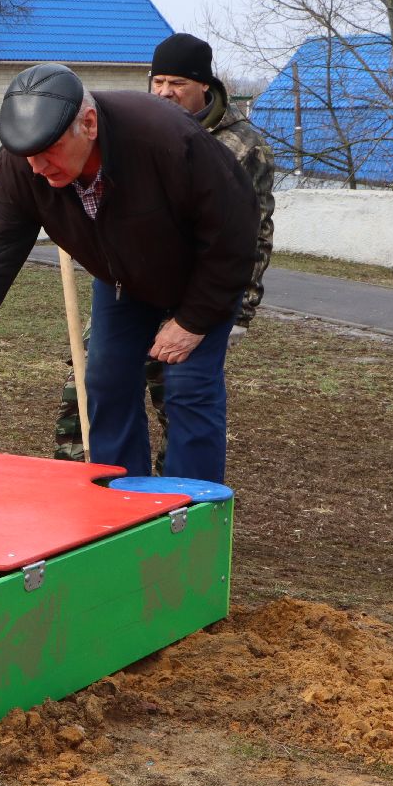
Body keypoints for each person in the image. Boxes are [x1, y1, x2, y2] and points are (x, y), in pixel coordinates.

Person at [0, 64, 258, 483]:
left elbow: (235, 230)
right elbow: (1, 240)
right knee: (105, 382)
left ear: (88, 124)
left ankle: (190, 511)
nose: (37, 166)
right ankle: (120, 504)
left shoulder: (165, 138)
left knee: (188, 387)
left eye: (49, 150)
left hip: (201, 277)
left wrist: (193, 321)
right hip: (121, 280)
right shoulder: (23, 160)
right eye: (28, 154)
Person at [53, 33, 278, 464]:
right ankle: (102, 480)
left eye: (177, 83)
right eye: (158, 82)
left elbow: (251, 233)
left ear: (204, 86)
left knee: (182, 391)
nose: (164, 92)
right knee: (96, 379)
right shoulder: (135, 130)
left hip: (200, 286)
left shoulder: (242, 146)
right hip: (134, 281)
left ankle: (179, 490)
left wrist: (239, 310)